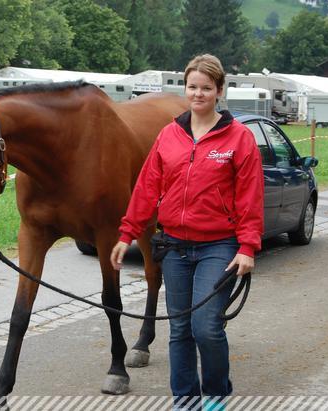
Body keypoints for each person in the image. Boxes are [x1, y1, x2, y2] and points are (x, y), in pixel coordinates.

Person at [110, 54, 264, 410]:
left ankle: (215, 396)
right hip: (175, 247)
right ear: (185, 88)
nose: (198, 94)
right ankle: (185, 400)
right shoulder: (169, 135)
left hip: (219, 246)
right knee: (179, 329)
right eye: (192, 87)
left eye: (206, 88)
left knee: (206, 327)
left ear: (219, 90)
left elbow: (250, 196)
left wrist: (248, 246)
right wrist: (127, 232)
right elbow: (147, 187)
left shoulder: (239, 138)